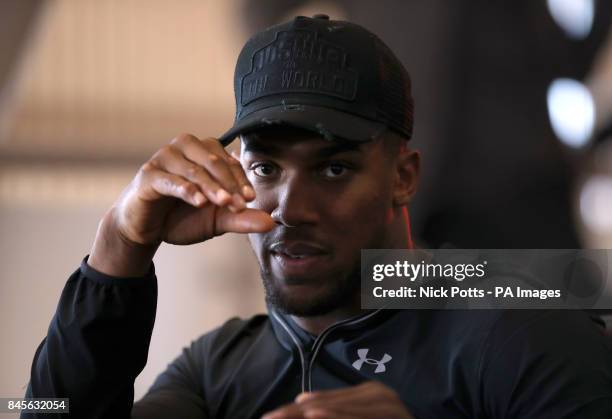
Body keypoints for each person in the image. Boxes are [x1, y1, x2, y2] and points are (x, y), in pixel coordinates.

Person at [24, 14, 612, 419]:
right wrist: (119, 246)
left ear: (403, 177)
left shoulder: (519, 329)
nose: (292, 211)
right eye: (265, 170)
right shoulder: (216, 367)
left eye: (334, 169)